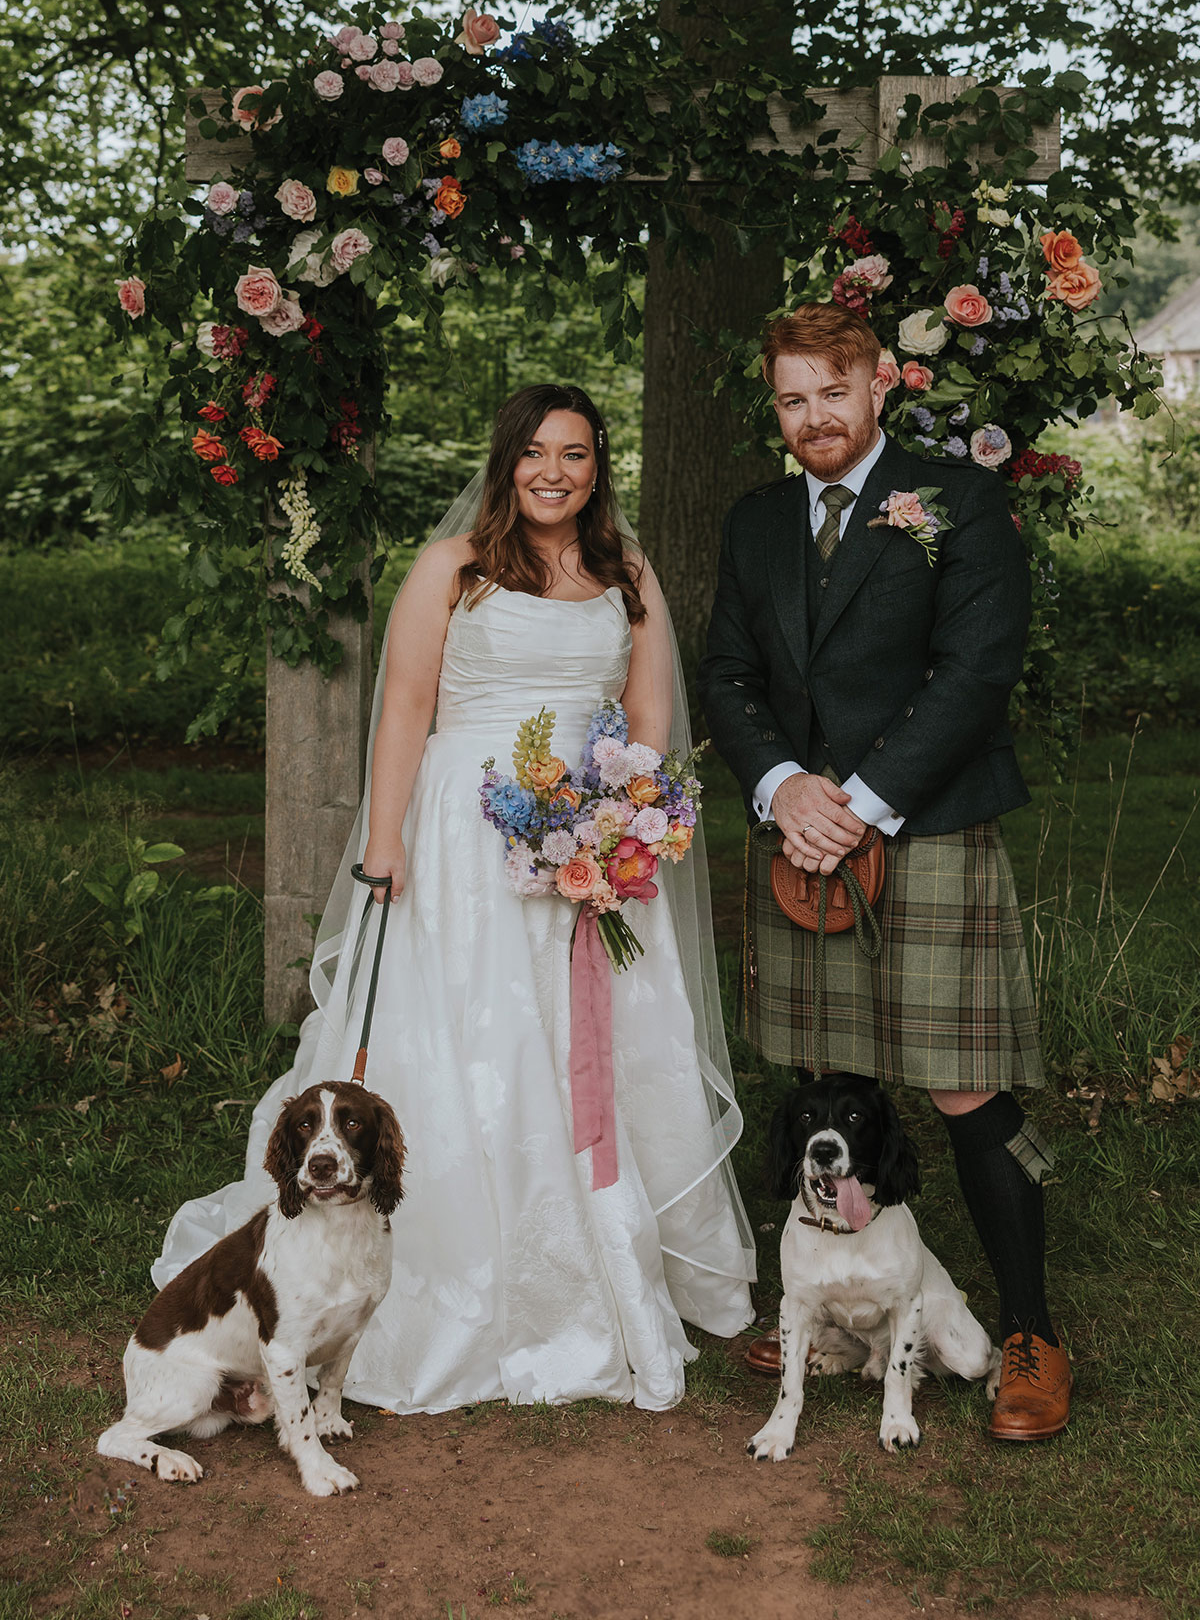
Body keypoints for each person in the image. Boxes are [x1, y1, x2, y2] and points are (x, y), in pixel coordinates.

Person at [154, 383, 754, 1414]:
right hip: (464, 834)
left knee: (595, 1046)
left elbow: (650, 716)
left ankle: (607, 1257)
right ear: (505, 460)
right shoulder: (453, 568)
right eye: (535, 453)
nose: (554, 473)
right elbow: (405, 707)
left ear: (597, 467)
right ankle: (428, 1275)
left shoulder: (627, 573)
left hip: (592, 841)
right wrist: (385, 840)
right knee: (474, 1036)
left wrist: (622, 826)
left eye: (575, 454)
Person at [698, 304, 1070, 1442]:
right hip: (801, 840)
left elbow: (974, 674)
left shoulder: (958, 503)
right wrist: (781, 788)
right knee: (826, 1077)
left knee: (964, 1082)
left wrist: (856, 803)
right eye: (791, 399)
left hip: (930, 826)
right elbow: (726, 674)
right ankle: (824, 1310)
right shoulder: (758, 520)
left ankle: (1030, 1331)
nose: (812, 417)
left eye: (832, 392)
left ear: (878, 389)